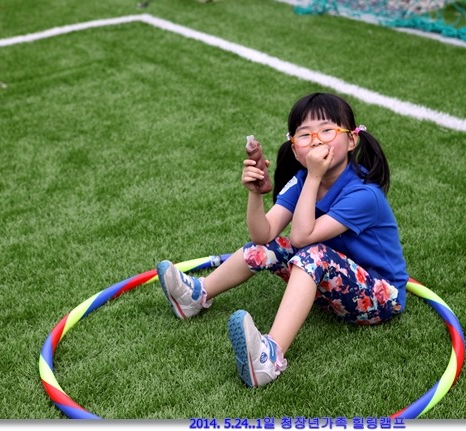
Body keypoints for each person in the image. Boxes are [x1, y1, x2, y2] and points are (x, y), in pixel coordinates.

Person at [156, 92, 409, 388]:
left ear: (352, 139)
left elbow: (302, 237)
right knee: (272, 247)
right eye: (305, 135)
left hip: (381, 297)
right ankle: (195, 296)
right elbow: (262, 235)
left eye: (327, 130)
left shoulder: (364, 194)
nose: (316, 140)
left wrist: (313, 177)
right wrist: (255, 194)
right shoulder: (302, 180)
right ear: (294, 148)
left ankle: (270, 358)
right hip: (332, 284)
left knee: (312, 254)